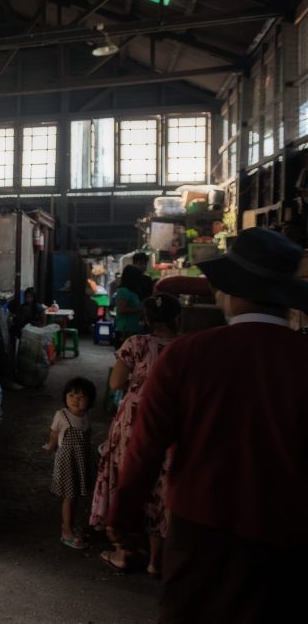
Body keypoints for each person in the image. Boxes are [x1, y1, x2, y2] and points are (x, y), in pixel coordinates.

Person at [107, 227, 308, 622]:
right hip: (286, 538)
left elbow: (145, 447)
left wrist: (125, 515)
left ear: (231, 292)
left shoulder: (187, 355)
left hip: (199, 529)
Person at [90, 293, 181, 575]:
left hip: (134, 420)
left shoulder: (135, 343)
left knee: (127, 476)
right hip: (172, 421)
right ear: (177, 318)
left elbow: (116, 382)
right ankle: (156, 560)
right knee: (162, 484)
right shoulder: (186, 347)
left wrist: (140, 381)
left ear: (147, 319)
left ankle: (123, 551)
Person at [43, 376, 96, 550]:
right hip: (67, 462)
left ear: (89, 401)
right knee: (69, 497)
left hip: (81, 461)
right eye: (72, 395)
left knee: (76, 497)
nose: (75, 400)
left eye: (81, 397)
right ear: (65, 396)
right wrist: (50, 447)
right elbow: (53, 434)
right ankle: (66, 532)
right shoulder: (62, 415)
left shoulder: (86, 416)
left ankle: (71, 526)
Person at [113, 265, 145, 348]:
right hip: (125, 330)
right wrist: (140, 309)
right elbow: (122, 309)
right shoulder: (123, 291)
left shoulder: (132, 292)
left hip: (133, 329)